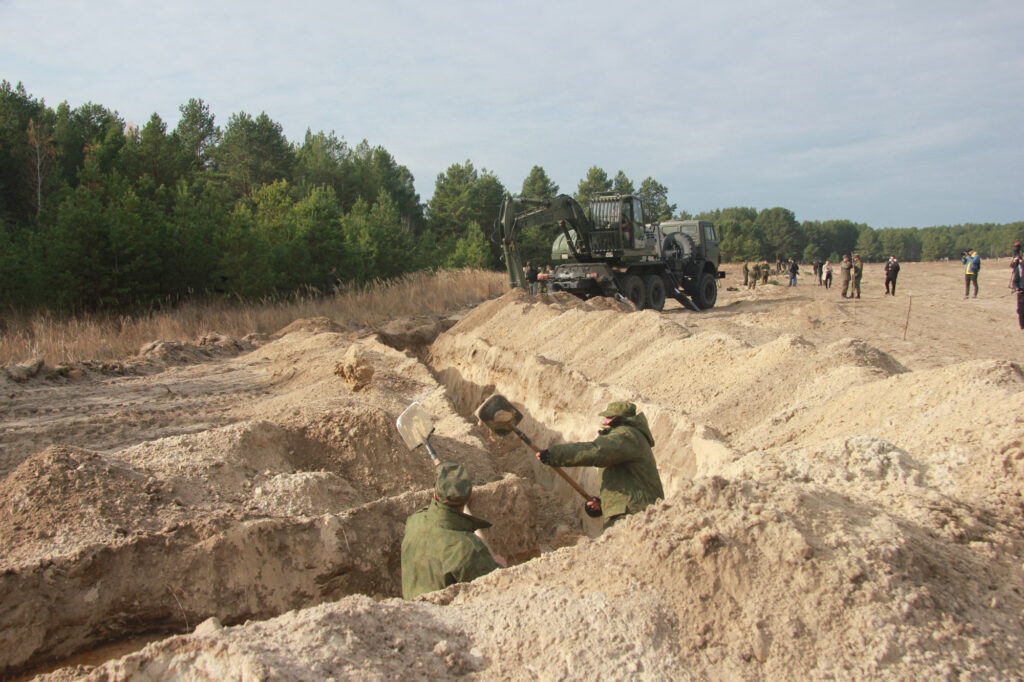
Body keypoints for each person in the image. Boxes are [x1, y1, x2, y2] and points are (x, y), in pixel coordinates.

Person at [535, 401, 664, 529]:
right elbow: (628, 488)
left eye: (609, 418)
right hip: (631, 512)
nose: (604, 422)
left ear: (621, 419)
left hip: (634, 516)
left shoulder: (626, 435)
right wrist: (603, 505)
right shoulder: (628, 438)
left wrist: (554, 455)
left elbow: (597, 451)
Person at [401, 461, 503, 599]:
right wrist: (499, 568)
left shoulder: (414, 521)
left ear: (435, 495)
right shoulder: (468, 549)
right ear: (469, 497)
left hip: (410, 612)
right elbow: (497, 590)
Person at [1011, 256, 1024, 330]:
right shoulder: (1020, 267)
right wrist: (1017, 288)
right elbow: (1015, 281)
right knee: (1021, 311)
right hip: (1022, 292)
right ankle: (1022, 326)